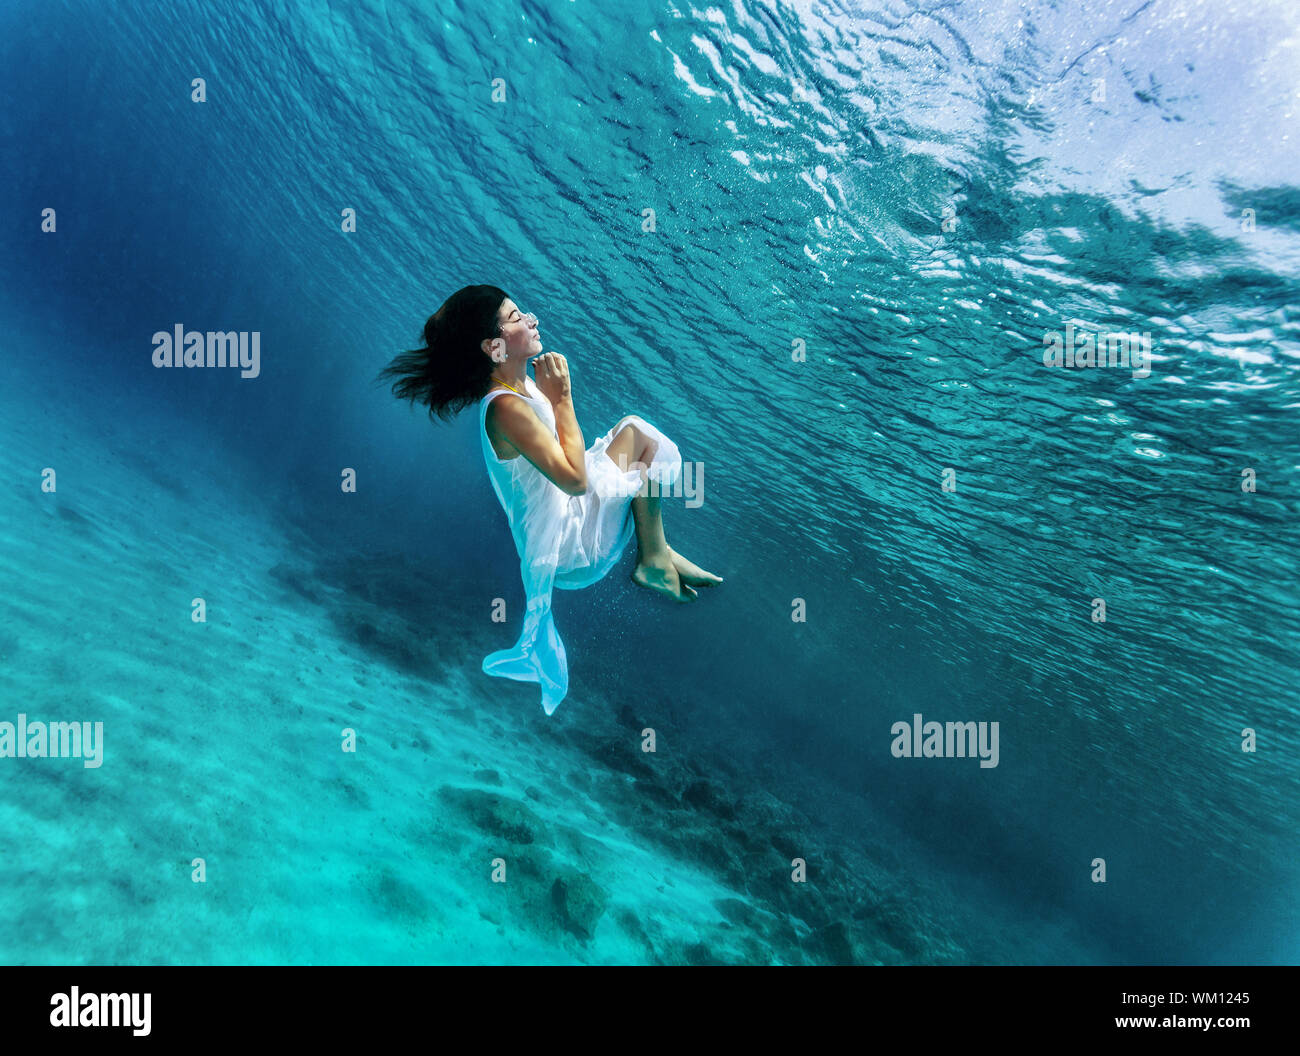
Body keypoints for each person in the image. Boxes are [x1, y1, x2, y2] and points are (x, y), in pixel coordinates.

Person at [377, 284, 721, 714]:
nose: (532, 319)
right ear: (494, 346)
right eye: (517, 317)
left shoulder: (522, 390)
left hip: (570, 520)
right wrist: (563, 399)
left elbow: (567, 465)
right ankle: (653, 558)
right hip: (569, 547)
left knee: (636, 435)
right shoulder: (507, 408)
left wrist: (552, 398)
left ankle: (658, 552)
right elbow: (575, 479)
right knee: (636, 436)